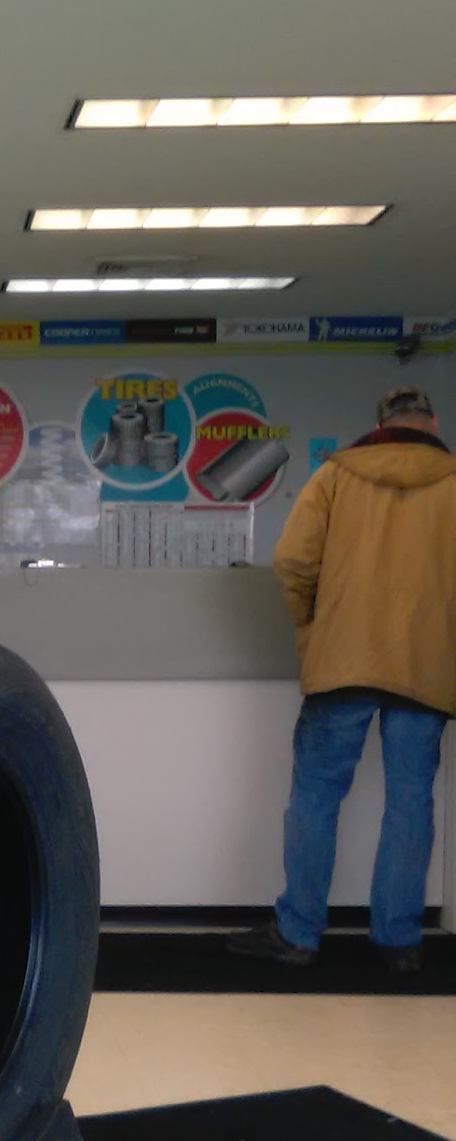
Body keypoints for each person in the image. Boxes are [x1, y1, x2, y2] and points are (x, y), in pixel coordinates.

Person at [229, 384, 456, 976]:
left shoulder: (337, 475)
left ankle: (298, 934)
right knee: (411, 799)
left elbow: (293, 559)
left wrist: (314, 623)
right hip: (426, 664)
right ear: (432, 423)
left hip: (343, 660)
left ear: (379, 424)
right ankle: (398, 942)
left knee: (317, 794)